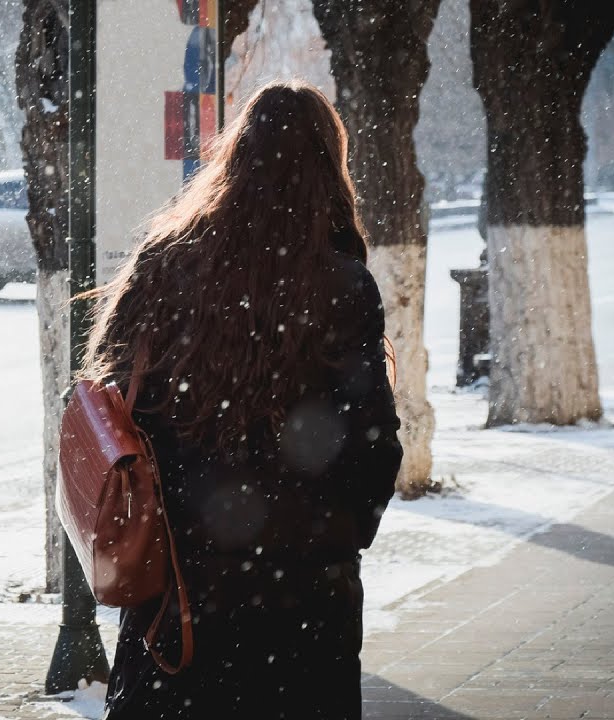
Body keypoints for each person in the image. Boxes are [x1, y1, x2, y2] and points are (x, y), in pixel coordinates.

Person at [82, 81, 403, 719]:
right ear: (327, 167)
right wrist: (335, 534)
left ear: (235, 157)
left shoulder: (167, 260)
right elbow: (374, 444)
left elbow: (114, 399)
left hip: (179, 577)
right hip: (301, 588)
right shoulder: (340, 284)